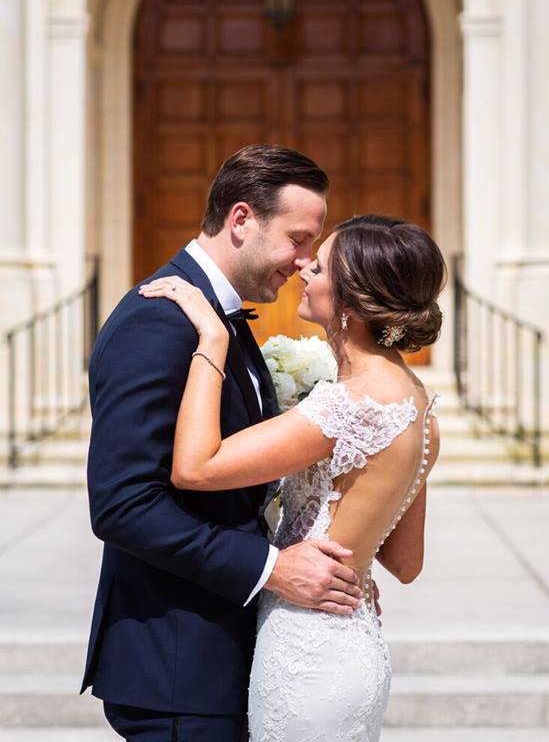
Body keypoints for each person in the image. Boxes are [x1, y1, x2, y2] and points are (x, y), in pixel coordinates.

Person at [82, 144, 365, 742]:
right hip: (177, 666)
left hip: (219, 654)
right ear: (241, 220)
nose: (305, 261)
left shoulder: (218, 319)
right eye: (298, 238)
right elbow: (122, 504)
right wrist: (272, 569)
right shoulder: (158, 319)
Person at [139, 213, 445, 741]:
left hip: (306, 652)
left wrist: (212, 339)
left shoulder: (349, 403)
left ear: (350, 301)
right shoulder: (420, 404)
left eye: (321, 266)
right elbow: (405, 562)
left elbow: (194, 469)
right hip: (354, 644)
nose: (305, 270)